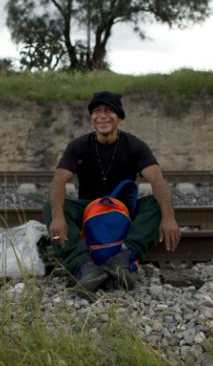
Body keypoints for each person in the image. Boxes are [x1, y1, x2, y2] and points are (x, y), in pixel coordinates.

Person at [42, 91, 181, 294]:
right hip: (90, 210)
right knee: (51, 208)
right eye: (97, 111)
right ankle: (85, 268)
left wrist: (169, 218)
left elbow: (157, 180)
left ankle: (124, 257)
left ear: (119, 117)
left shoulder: (135, 146)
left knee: (156, 203)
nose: (102, 116)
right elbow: (59, 179)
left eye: (109, 111)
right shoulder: (78, 146)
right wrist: (57, 217)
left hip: (123, 210)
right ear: (91, 117)